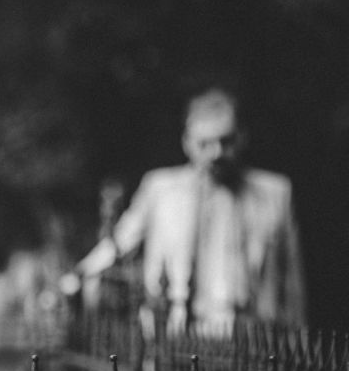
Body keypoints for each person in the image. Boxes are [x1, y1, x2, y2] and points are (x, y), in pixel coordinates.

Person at [61, 87, 306, 335]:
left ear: (242, 136)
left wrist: (299, 342)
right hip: (179, 336)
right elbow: (121, 242)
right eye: (204, 144)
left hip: (254, 340)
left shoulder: (276, 193)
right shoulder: (159, 189)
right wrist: (77, 275)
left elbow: (292, 282)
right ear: (187, 143)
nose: (217, 153)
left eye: (226, 141)